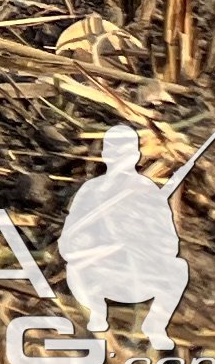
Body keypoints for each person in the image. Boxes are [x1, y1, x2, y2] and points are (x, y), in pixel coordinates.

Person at [59, 124, 188, 349]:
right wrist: (96, 245)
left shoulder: (149, 192)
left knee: (178, 269)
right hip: (100, 272)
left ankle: (155, 326)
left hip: (140, 273)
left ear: (136, 156)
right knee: (75, 268)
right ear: (105, 155)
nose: (120, 159)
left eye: (126, 153)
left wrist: (145, 244)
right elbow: (69, 240)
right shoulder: (91, 191)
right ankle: (96, 320)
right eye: (114, 152)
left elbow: (170, 242)